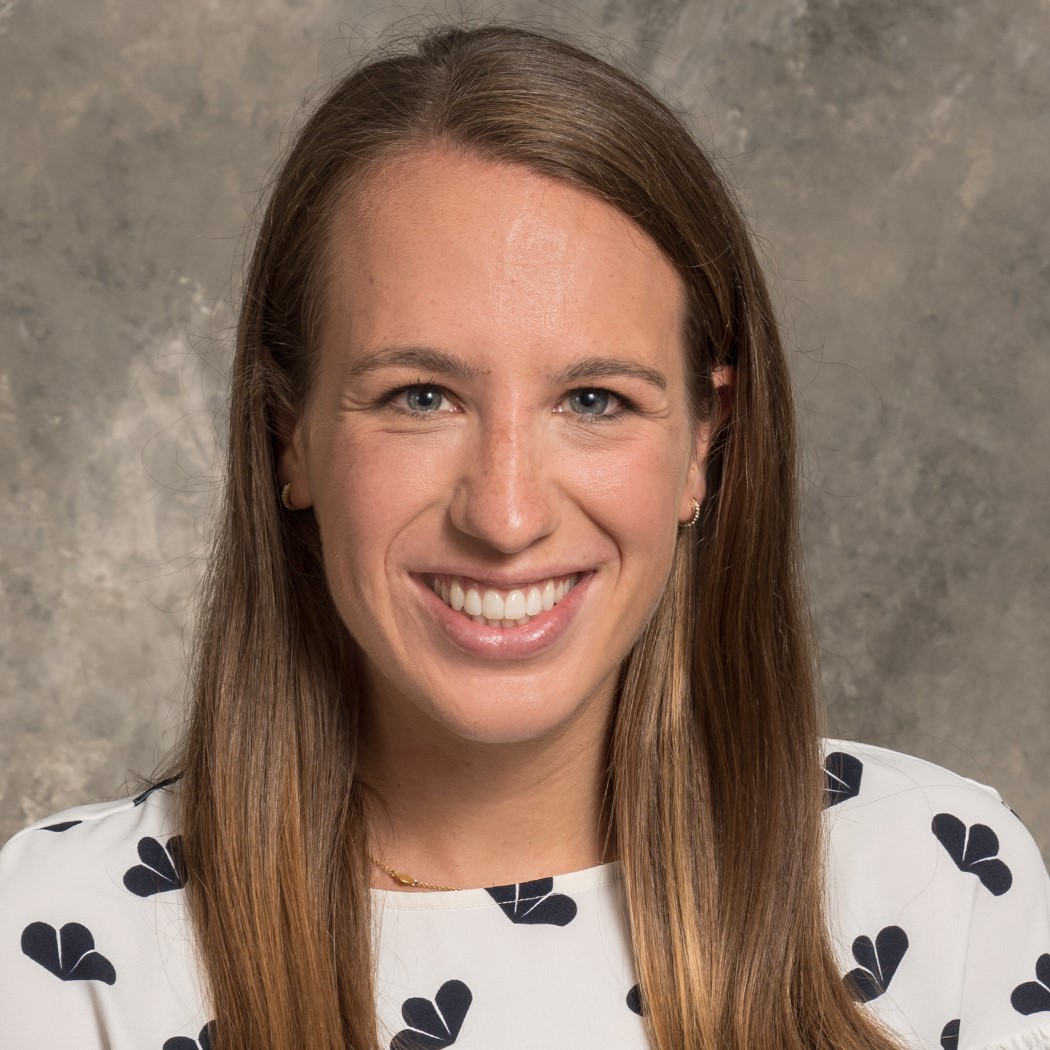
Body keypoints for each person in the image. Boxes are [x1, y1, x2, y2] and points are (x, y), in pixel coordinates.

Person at [1, 22, 1048, 1050]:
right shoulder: (60, 944)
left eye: (593, 400)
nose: (505, 517)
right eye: (420, 396)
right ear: (292, 439)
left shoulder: (938, 881)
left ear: (702, 445)